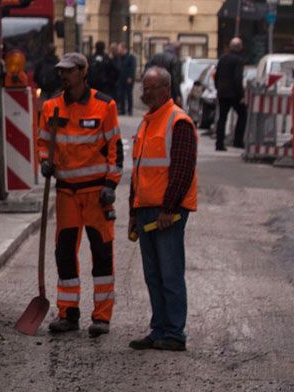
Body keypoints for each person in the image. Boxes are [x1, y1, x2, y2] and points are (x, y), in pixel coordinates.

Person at [36, 53, 123, 337]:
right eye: (61, 71)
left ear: (83, 73)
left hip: (96, 193)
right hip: (66, 194)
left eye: (70, 71)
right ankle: (68, 314)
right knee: (65, 254)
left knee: (101, 254)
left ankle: (101, 318)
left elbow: (115, 148)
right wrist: (44, 161)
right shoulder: (51, 107)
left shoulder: (105, 105)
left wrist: (111, 184)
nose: (64, 76)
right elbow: (43, 142)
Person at [128, 67, 196, 351]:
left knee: (169, 273)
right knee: (153, 274)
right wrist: (133, 211)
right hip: (146, 209)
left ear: (166, 89)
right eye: (144, 87)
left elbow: (181, 170)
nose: (146, 93)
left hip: (167, 211)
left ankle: (174, 333)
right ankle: (159, 329)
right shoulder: (147, 122)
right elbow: (139, 171)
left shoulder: (178, 121)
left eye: (152, 87)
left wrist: (169, 209)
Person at [214, 37, 248, 151]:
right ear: (239, 48)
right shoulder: (239, 60)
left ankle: (219, 144)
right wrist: (241, 95)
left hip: (222, 92)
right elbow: (237, 78)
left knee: (222, 118)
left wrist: (217, 88)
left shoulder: (222, 58)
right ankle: (238, 141)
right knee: (243, 114)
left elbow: (217, 75)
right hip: (234, 93)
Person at [115, 42, 137, 115]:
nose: (118, 50)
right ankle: (122, 109)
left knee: (129, 94)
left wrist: (130, 77)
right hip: (121, 79)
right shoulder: (119, 57)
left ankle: (130, 110)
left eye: (119, 48)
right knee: (121, 94)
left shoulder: (131, 57)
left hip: (128, 79)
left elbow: (132, 68)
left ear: (124, 48)